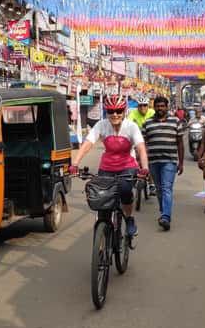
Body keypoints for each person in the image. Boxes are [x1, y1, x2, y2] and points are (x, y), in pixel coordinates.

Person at [70, 95, 149, 246]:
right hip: (106, 167)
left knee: (126, 190)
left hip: (127, 166)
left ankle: (129, 218)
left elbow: (141, 149)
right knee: (102, 199)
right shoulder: (101, 125)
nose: (115, 114)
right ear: (106, 112)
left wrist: (144, 168)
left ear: (124, 111)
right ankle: (102, 242)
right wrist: (75, 163)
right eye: (111, 111)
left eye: (118, 110)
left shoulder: (131, 127)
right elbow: (87, 144)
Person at [142, 96, 184, 231]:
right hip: (153, 161)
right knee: (159, 189)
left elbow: (180, 143)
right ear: (154, 107)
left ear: (167, 107)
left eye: (162, 106)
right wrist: (142, 162)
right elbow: (143, 143)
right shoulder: (147, 123)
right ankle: (163, 211)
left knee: (166, 188)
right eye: (157, 106)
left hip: (170, 161)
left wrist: (181, 162)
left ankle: (166, 217)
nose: (160, 108)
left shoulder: (175, 121)